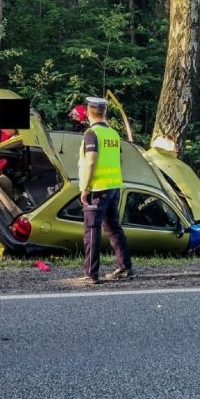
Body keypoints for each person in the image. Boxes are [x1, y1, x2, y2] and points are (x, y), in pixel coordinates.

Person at [77, 96, 132, 285]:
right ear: (105, 112)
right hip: (114, 186)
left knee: (92, 230)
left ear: (88, 111)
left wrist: (85, 188)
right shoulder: (114, 134)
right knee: (113, 228)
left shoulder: (92, 134)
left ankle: (91, 273)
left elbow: (91, 160)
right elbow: (120, 160)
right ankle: (125, 267)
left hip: (97, 188)